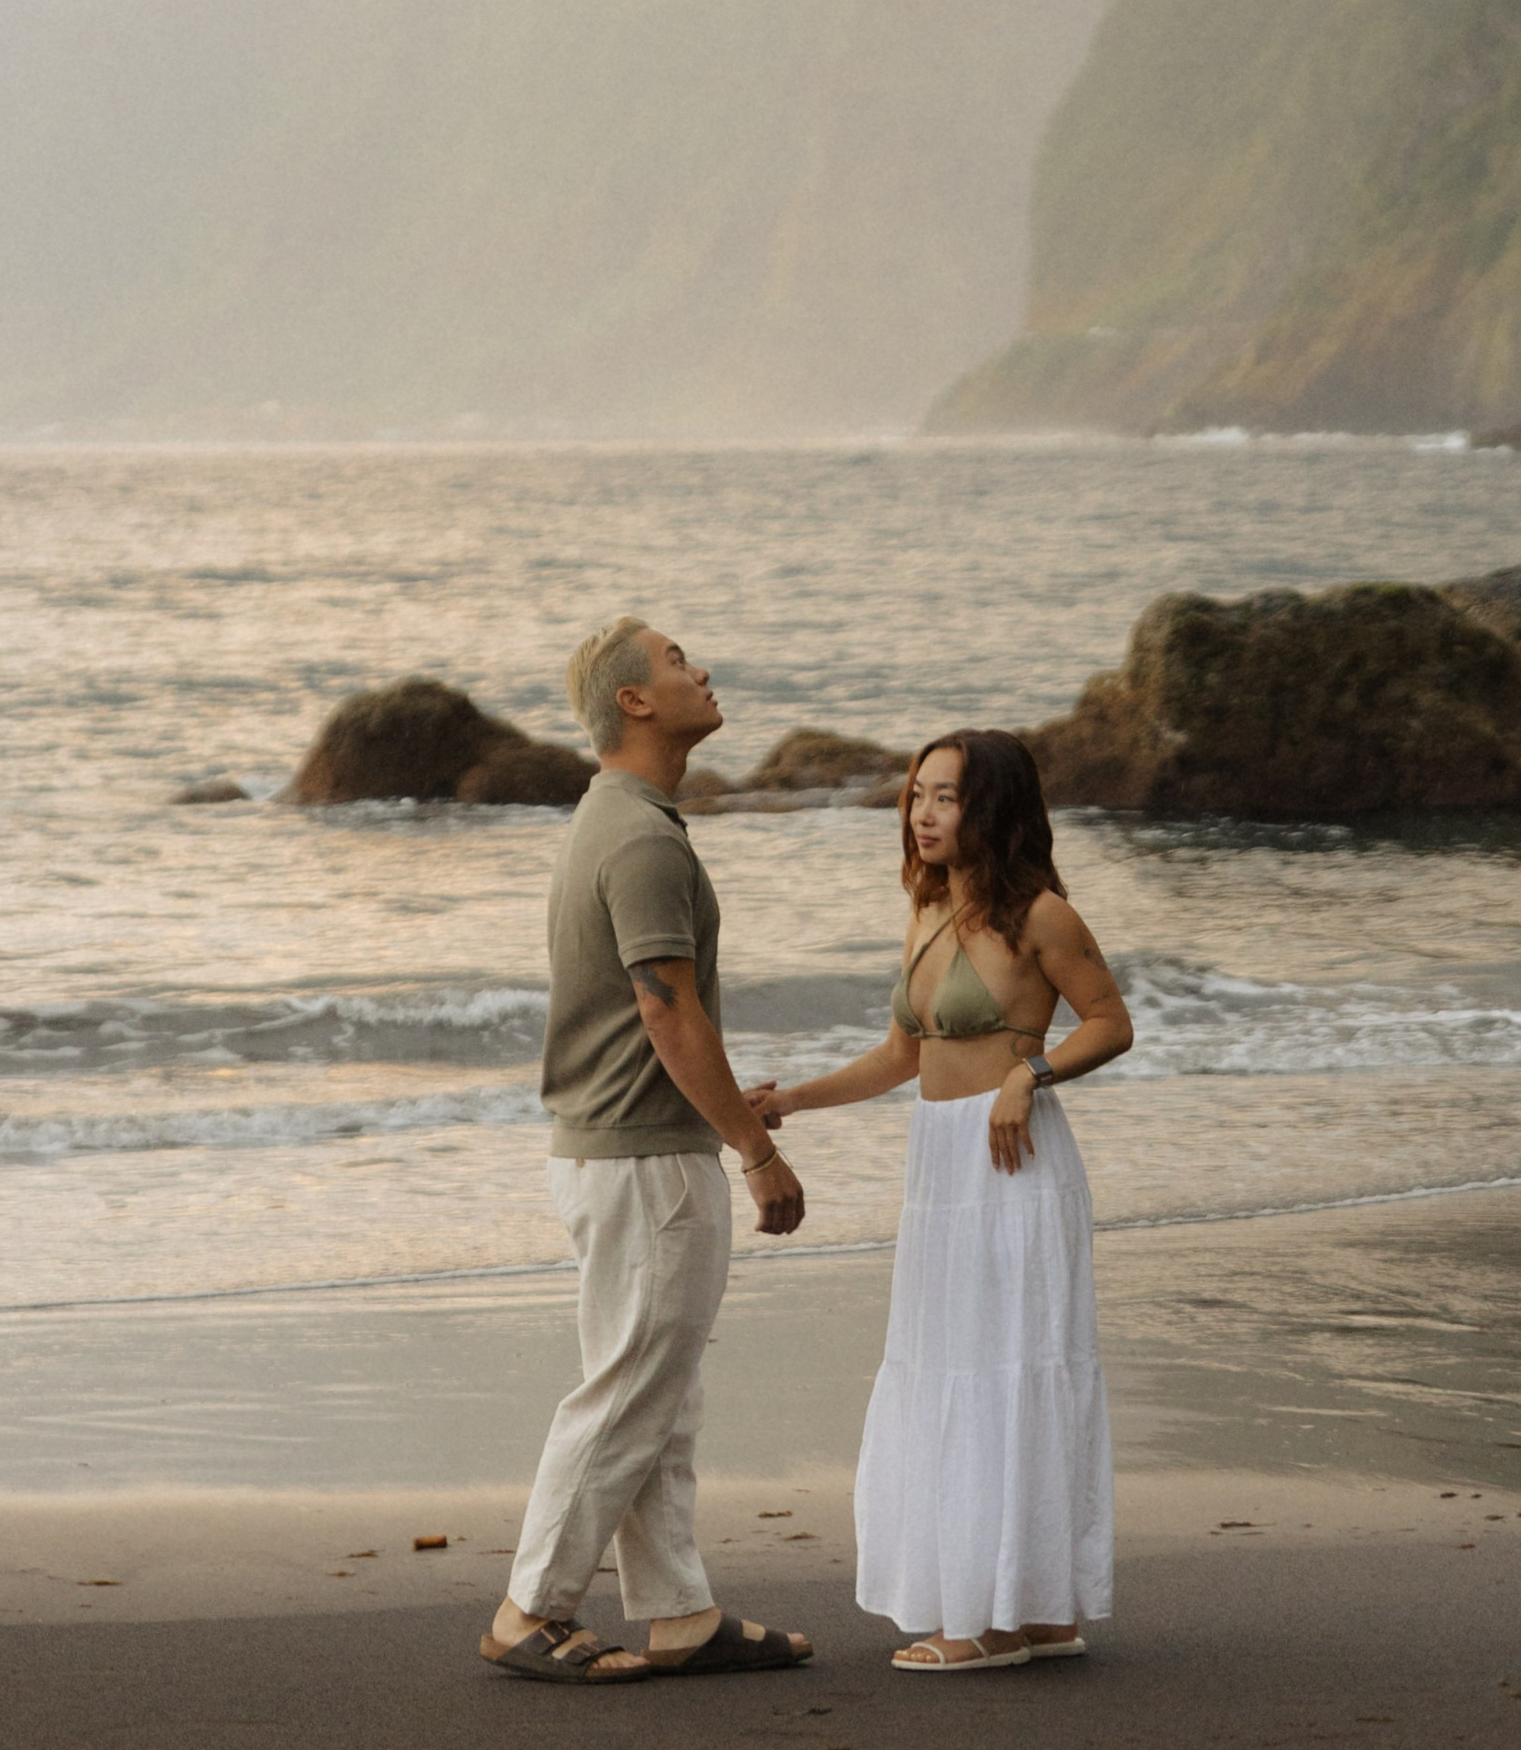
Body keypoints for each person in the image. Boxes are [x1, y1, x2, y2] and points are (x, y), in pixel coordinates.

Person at [750, 728, 1131, 1672]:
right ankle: (1035, 1608)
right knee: (958, 1365)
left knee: (1005, 1372)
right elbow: (901, 1057)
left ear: (988, 808)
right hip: (941, 1171)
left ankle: (992, 1621)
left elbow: (1112, 1023)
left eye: (946, 797)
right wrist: (793, 1098)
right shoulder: (925, 910)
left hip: (1014, 1168)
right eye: (917, 794)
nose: (923, 813)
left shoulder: (1041, 916)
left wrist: (1028, 1075)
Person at [481, 618, 816, 1686]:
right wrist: (753, 1148)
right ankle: (532, 1608)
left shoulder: (623, 820)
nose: (702, 671)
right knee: (630, 1389)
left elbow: (663, 1016)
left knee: (658, 1388)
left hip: (621, 1152)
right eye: (677, 662)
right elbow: (667, 1012)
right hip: (643, 1159)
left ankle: (678, 1611)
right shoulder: (636, 836)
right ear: (633, 702)